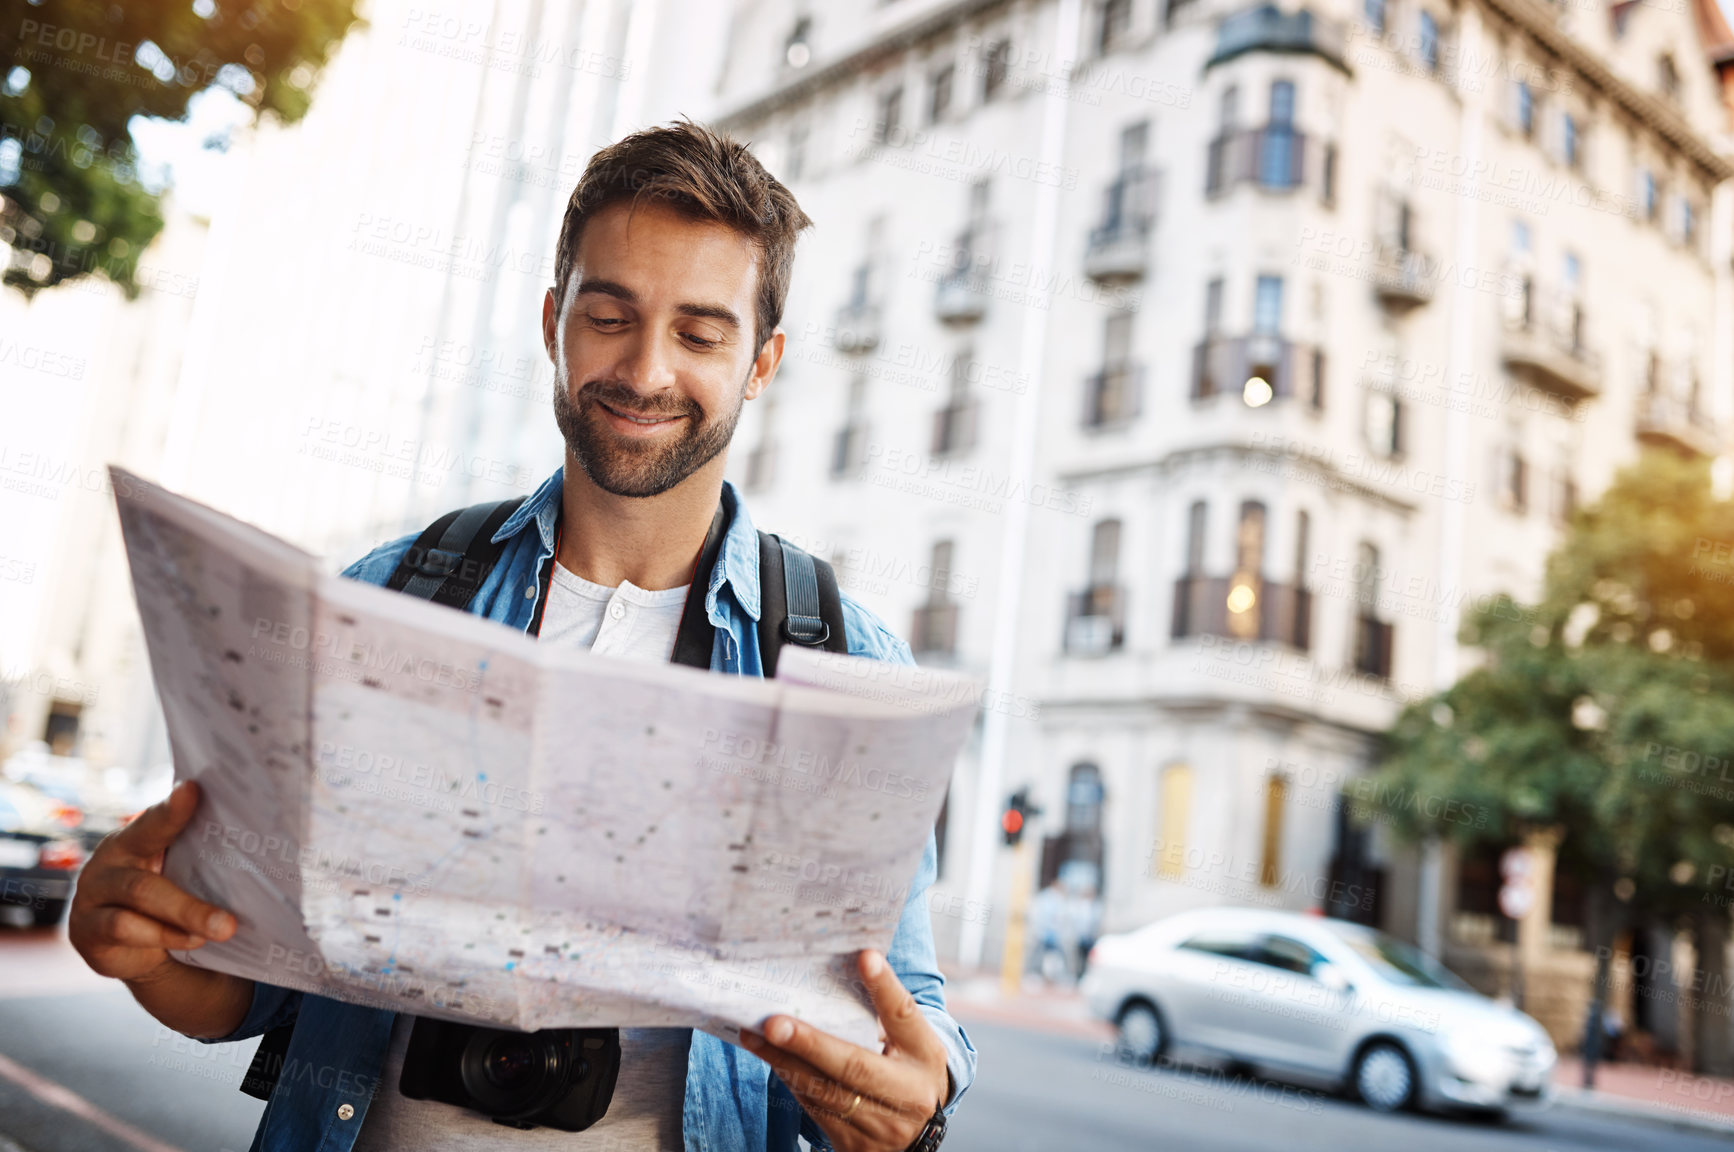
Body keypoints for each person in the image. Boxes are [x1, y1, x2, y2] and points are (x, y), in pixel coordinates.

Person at [67, 120, 974, 1152]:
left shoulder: (843, 664)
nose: (645, 370)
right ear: (554, 321)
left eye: (700, 333)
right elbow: (246, 994)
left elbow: (910, 1005)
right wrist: (142, 948)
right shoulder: (390, 599)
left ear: (761, 360)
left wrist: (915, 1094)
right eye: (609, 315)